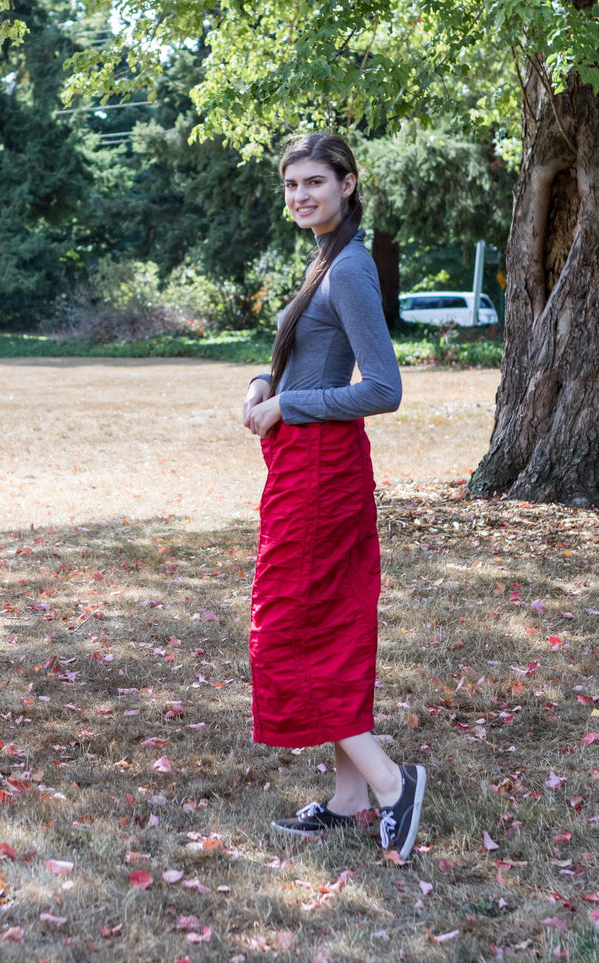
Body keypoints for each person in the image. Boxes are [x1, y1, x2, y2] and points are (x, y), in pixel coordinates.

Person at [242, 132, 426, 860]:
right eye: (291, 185)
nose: (300, 196)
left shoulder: (349, 266)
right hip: (309, 463)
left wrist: (289, 406)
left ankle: (389, 784)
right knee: (335, 624)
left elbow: (383, 388)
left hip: (319, 468)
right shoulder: (325, 256)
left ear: (348, 184)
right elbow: (309, 356)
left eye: (314, 182)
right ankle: (349, 798)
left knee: (285, 633)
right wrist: (267, 382)